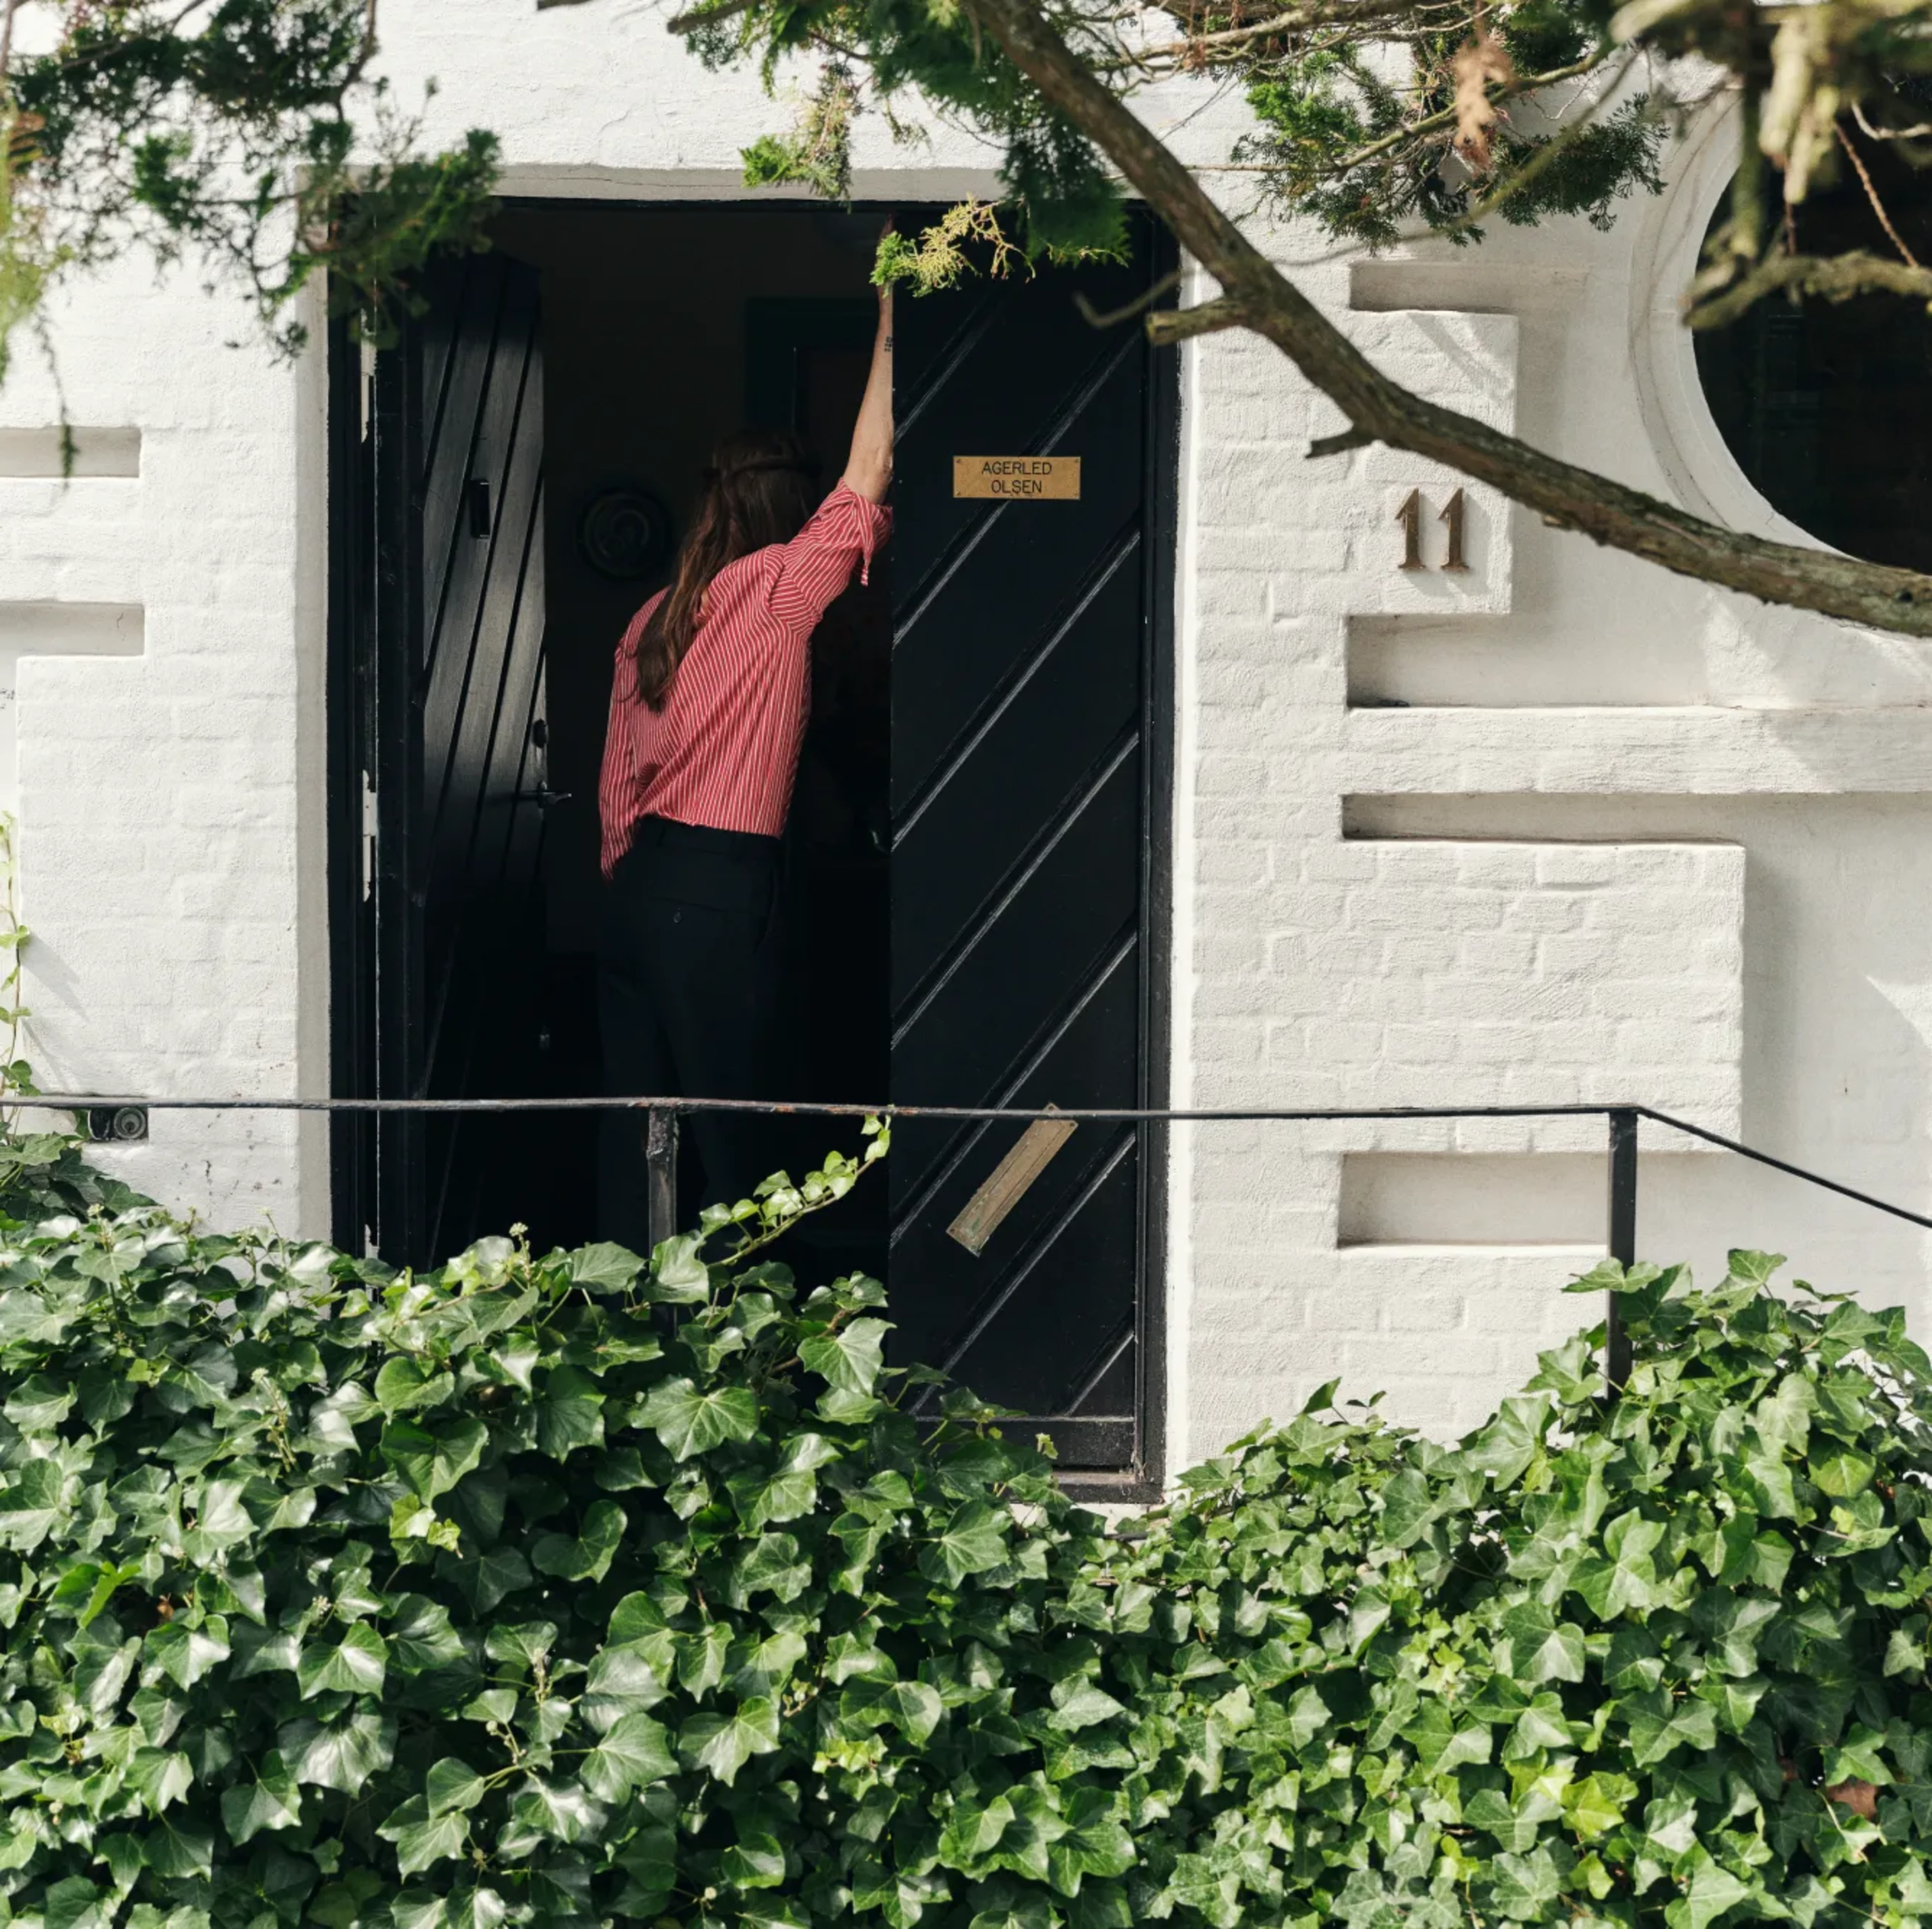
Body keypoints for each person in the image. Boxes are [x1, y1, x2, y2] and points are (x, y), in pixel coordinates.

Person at [596, 262, 895, 1252]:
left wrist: (635, 883)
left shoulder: (655, 614)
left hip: (639, 893)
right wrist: (897, 309)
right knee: (738, 1143)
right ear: (784, 509)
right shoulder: (775, 592)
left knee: (641, 1139)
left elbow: (613, 793)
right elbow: (866, 489)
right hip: (721, 891)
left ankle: (636, 1340)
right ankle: (751, 1361)